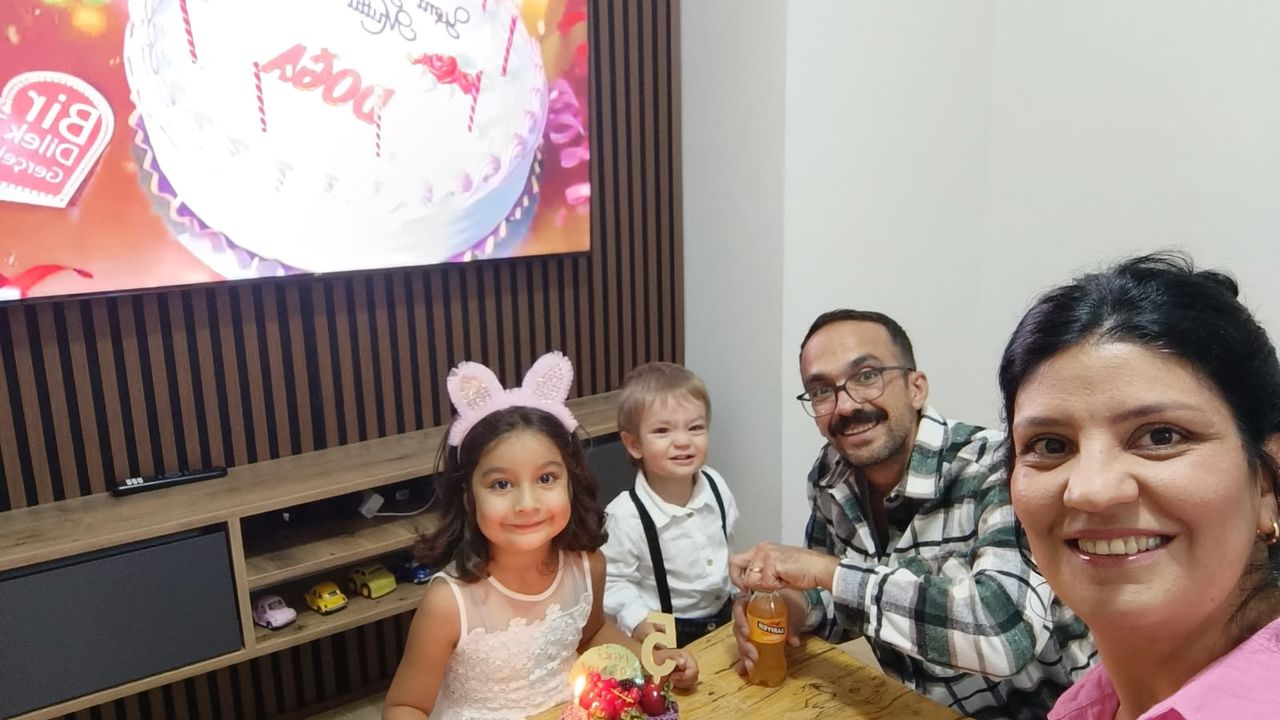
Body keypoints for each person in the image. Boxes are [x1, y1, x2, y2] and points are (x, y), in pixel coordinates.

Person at [730, 309, 1095, 719]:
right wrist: (791, 606)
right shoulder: (831, 474)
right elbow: (840, 599)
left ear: (916, 388)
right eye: (821, 391)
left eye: (867, 376)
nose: (845, 406)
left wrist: (827, 572)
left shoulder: (997, 468)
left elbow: (1003, 634)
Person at [999, 253, 1280, 719]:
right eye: (1050, 445)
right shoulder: (1085, 706)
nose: (1091, 490)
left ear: (1268, 480)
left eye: (1161, 436)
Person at [383, 352, 698, 720]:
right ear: (469, 498)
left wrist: (650, 660)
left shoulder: (588, 565)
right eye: (501, 484)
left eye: (546, 478)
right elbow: (405, 706)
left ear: (571, 482)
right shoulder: (447, 603)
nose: (527, 504)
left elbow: (591, 634)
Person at [602, 362, 739, 647]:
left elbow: (724, 544)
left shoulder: (716, 485)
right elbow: (613, 581)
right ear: (634, 444)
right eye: (663, 431)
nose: (683, 441)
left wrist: (739, 586)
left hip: (726, 617)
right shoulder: (625, 516)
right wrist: (638, 621)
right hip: (666, 633)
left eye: (695, 427)